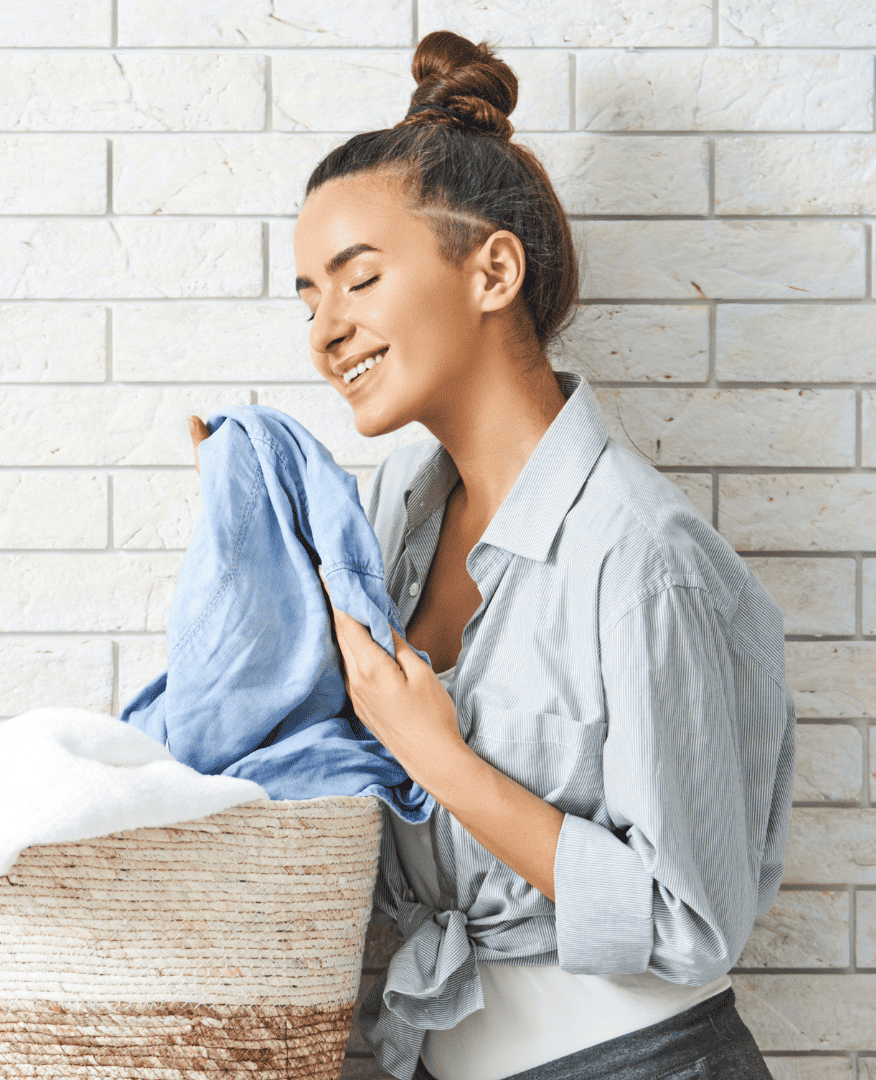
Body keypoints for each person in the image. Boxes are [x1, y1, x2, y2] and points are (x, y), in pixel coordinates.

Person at [190, 30, 793, 1080]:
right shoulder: (387, 528)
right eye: (308, 299)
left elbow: (690, 916)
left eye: (358, 280)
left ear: (493, 271)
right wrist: (259, 557)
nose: (325, 331)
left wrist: (442, 764)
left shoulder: (643, 558)